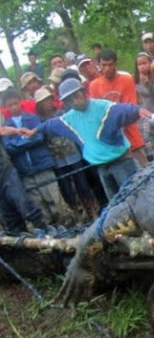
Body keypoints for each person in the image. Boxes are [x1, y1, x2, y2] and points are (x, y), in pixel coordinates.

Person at [22, 78, 151, 200]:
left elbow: (123, 109)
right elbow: (49, 125)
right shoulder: (69, 119)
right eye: (69, 100)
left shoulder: (104, 107)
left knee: (136, 196)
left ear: (84, 93)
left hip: (121, 162)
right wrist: (34, 130)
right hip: (101, 167)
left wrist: (138, 110)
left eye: (76, 96)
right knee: (117, 203)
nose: (74, 101)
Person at [2, 89, 73, 225]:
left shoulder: (32, 118)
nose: (13, 107)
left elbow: (39, 137)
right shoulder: (6, 127)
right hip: (25, 171)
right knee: (39, 205)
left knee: (54, 199)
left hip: (42, 165)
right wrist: (27, 138)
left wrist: (20, 141)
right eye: (10, 105)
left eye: (15, 103)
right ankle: (50, 233)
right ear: (6, 107)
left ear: (20, 103)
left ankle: (67, 225)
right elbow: (9, 148)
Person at [34, 87, 98, 219]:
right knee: (66, 188)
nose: (47, 103)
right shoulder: (39, 121)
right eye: (43, 101)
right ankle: (76, 213)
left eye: (48, 100)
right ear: (39, 105)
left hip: (73, 153)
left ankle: (91, 210)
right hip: (56, 159)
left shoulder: (63, 113)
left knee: (82, 182)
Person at [89, 49, 148, 167]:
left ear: (116, 64)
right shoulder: (94, 86)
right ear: (98, 65)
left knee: (144, 168)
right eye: (103, 65)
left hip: (131, 134)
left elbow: (130, 107)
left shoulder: (127, 79)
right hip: (111, 141)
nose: (107, 68)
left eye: (110, 64)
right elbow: (97, 113)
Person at [0, 124, 48, 233]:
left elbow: (3, 130)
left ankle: (43, 231)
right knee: (8, 216)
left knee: (25, 204)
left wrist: (18, 131)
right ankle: (20, 241)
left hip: (6, 173)